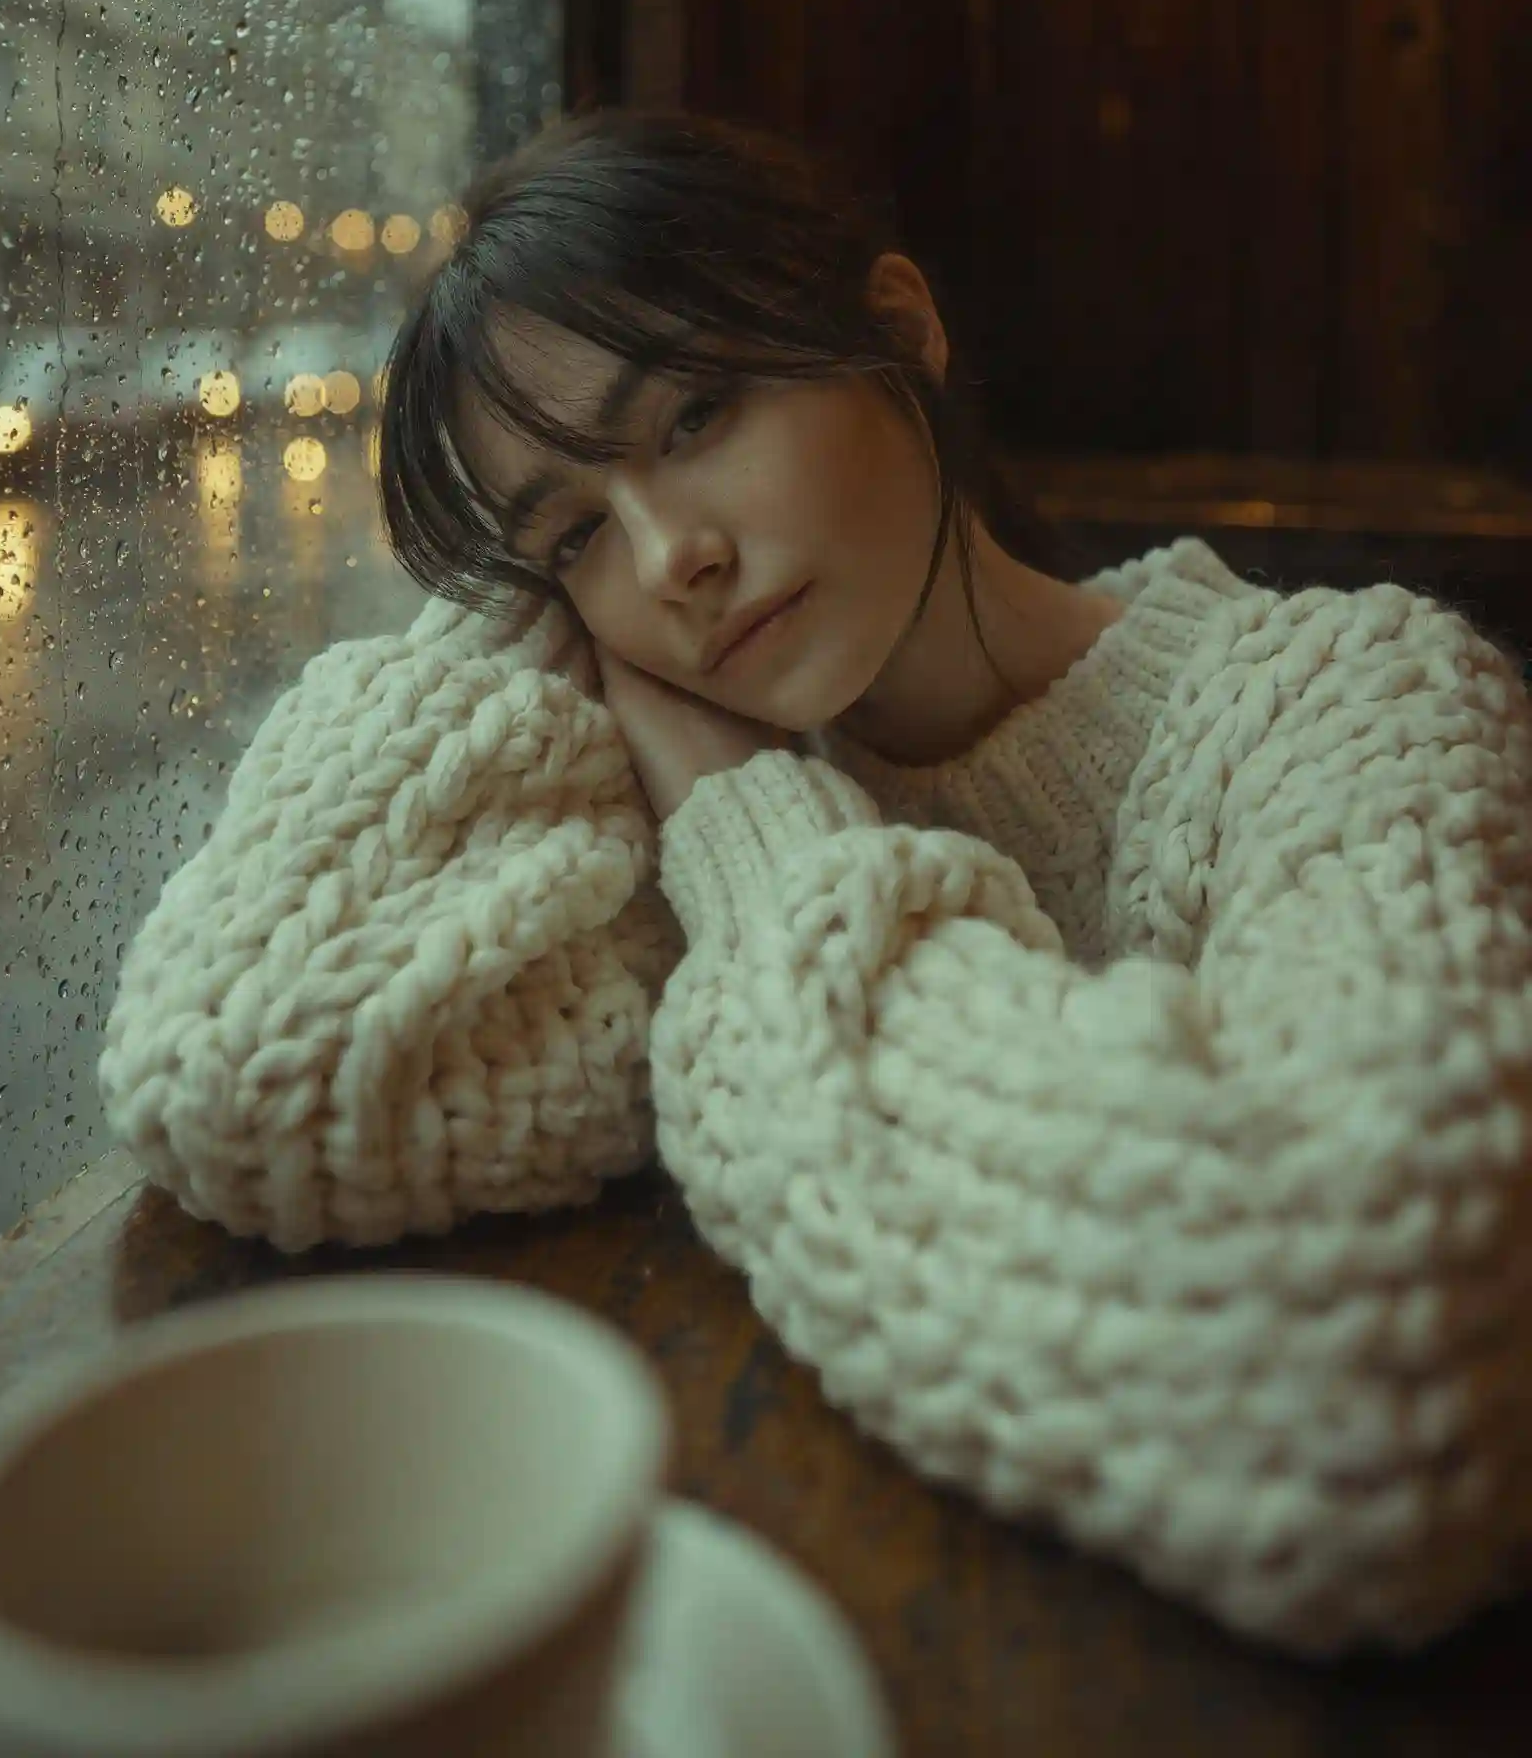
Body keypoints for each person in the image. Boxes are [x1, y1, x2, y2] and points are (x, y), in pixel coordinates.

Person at [102, 108, 1532, 1661]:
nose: (671, 560)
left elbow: (1379, 1364)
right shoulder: (656, 840)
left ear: (898, 333)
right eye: (580, 532)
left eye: (697, 413)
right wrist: (526, 615)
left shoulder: (1352, 698)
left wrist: (760, 841)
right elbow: (247, 1062)